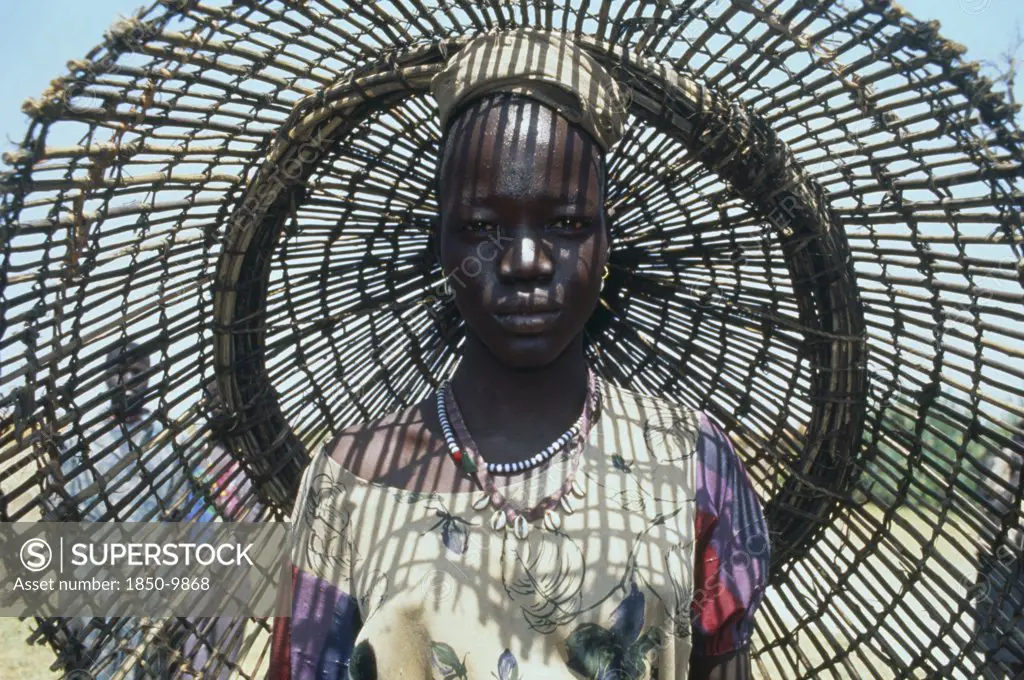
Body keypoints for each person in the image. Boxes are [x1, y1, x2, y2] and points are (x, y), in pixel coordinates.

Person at [269, 29, 769, 680]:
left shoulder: (694, 461)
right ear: (441, 243)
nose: (526, 261)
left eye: (566, 225)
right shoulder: (348, 482)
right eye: (481, 228)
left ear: (606, 238)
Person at [53, 341, 190, 679]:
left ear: (150, 377)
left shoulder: (165, 444)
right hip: (92, 587)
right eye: (119, 372)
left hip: (148, 589)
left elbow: (176, 521)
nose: (128, 380)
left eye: (137, 372)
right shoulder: (83, 442)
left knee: (144, 667)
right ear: (104, 378)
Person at [176, 376, 261, 679]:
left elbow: (257, 520)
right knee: (192, 649)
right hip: (194, 566)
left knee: (224, 651)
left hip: (236, 573)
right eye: (213, 399)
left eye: (225, 400)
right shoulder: (193, 453)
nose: (219, 407)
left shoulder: (254, 463)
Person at [972, 419, 1023, 679]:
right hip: (1004, 579)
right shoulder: (1002, 464)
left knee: (995, 659)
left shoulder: (998, 460)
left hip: (996, 579)